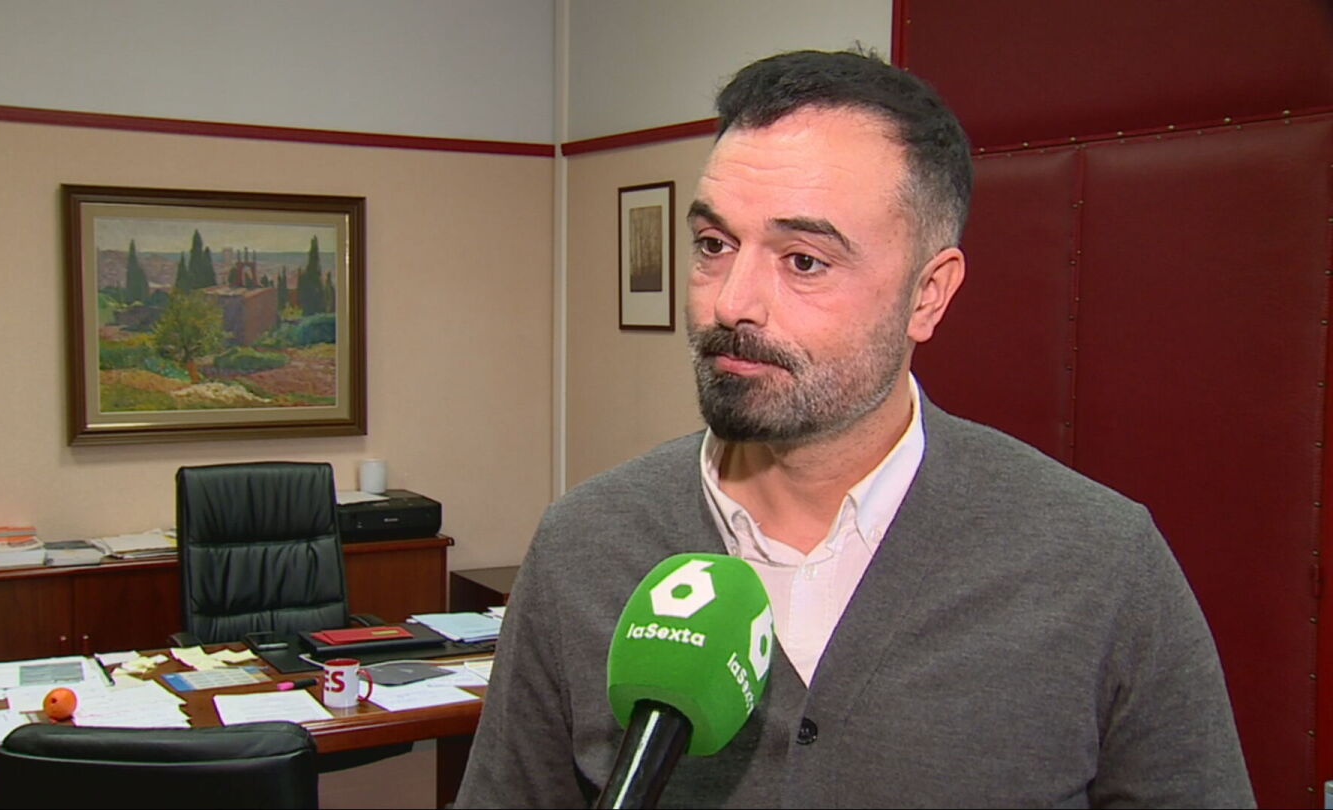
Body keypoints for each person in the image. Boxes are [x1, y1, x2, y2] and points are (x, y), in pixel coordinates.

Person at [455, 49, 1254, 808]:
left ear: (928, 295)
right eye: (713, 244)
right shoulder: (584, 547)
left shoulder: (1101, 566)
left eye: (803, 260)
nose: (731, 302)